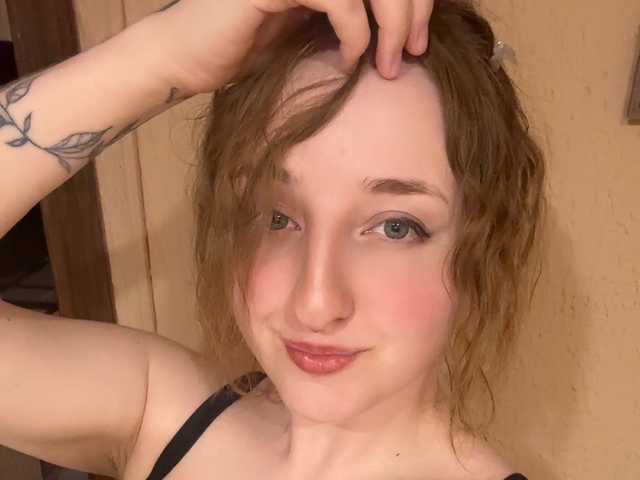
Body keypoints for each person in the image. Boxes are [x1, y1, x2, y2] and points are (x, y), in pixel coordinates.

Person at [0, 0, 545, 479]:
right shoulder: (165, 416)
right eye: (277, 217)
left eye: (395, 227)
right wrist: (163, 55)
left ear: (480, 245)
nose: (315, 303)